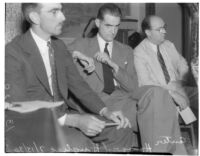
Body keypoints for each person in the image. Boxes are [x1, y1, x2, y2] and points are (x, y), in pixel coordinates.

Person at [5, 3, 135, 152]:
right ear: (35, 17)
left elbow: (79, 86)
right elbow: (19, 107)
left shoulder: (59, 47)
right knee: (79, 143)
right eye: (54, 12)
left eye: (61, 11)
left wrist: (106, 112)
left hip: (65, 115)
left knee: (121, 130)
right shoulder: (13, 52)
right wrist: (74, 120)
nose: (63, 17)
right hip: (36, 123)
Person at [68, 4, 188, 155]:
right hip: (96, 101)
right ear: (98, 23)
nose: (113, 31)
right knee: (161, 112)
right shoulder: (81, 45)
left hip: (123, 100)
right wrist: (78, 56)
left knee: (158, 94)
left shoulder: (126, 50)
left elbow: (132, 87)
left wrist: (113, 66)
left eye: (117, 26)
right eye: (108, 25)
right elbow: (61, 57)